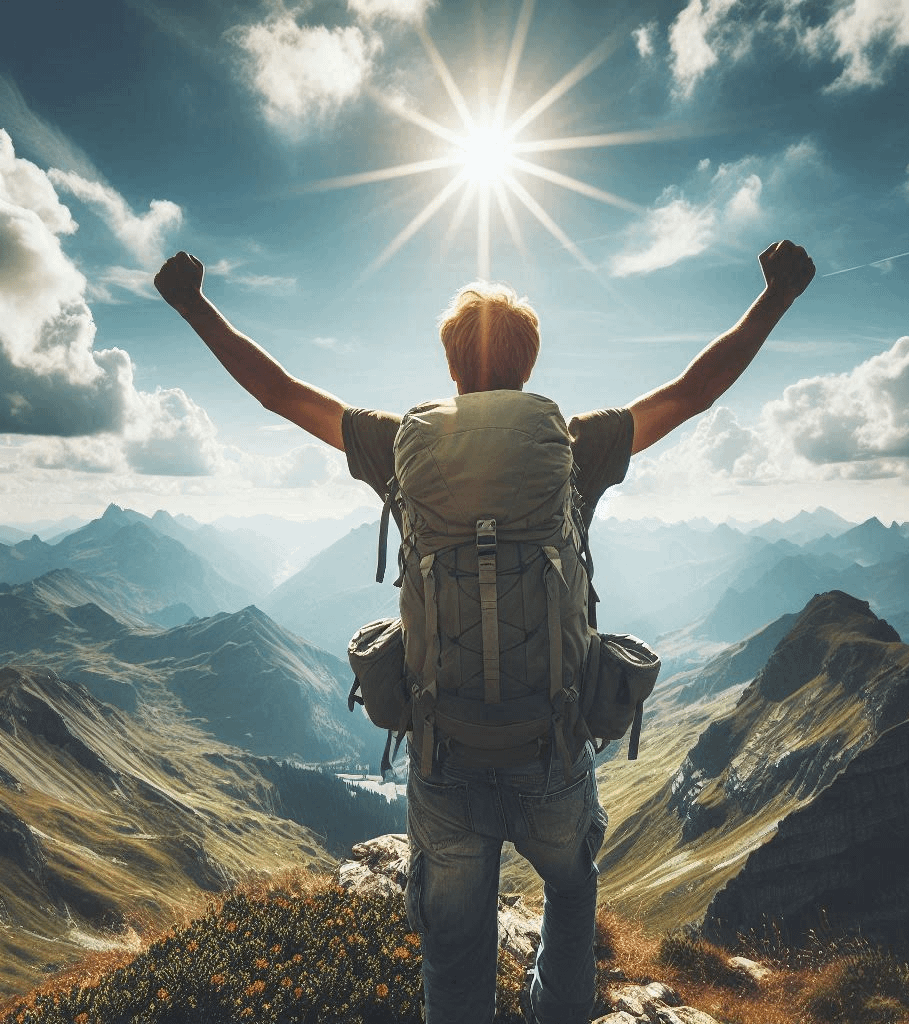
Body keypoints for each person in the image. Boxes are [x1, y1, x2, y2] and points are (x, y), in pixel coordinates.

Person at [154, 239, 815, 1024]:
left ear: (451, 366)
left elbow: (279, 394)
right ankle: (558, 1012)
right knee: (571, 888)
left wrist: (193, 303)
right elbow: (694, 392)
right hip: (553, 752)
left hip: (446, 758)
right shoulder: (574, 446)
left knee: (455, 948)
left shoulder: (401, 444)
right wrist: (776, 295)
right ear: (528, 369)